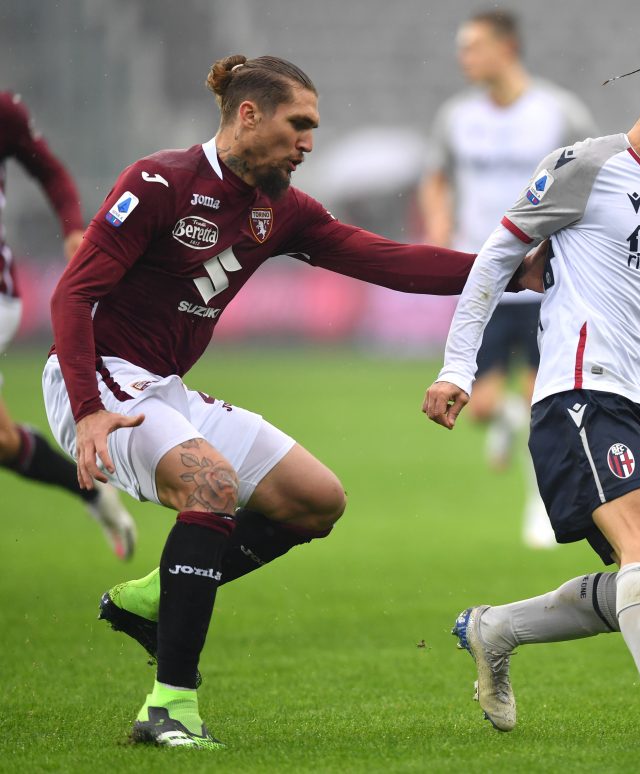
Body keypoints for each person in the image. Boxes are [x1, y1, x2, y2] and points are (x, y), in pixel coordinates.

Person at [44, 54, 536, 749]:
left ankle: (153, 599)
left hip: (164, 388)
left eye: (313, 128)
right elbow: (72, 293)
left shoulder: (283, 211)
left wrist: (512, 270)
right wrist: (87, 407)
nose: (308, 142)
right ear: (248, 116)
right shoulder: (159, 182)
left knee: (315, 499)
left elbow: (387, 259)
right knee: (212, 485)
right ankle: (168, 709)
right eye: (298, 124)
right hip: (100, 379)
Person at [423, 55, 640, 747]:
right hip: (581, 394)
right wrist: (458, 367)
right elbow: (495, 256)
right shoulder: (586, 167)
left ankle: (494, 629)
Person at [419, 9, 597, 548]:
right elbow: (435, 177)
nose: (464, 57)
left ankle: (541, 507)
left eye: (473, 46)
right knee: (480, 405)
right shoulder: (456, 117)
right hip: (485, 278)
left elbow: (596, 177)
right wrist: (438, 226)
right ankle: (506, 423)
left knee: (546, 403)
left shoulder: (558, 112)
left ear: (507, 48)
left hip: (544, 278)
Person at [0, 91, 136, 558]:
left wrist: (74, 229)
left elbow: (50, 170)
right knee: (4, 442)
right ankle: (92, 491)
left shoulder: (5, 113)